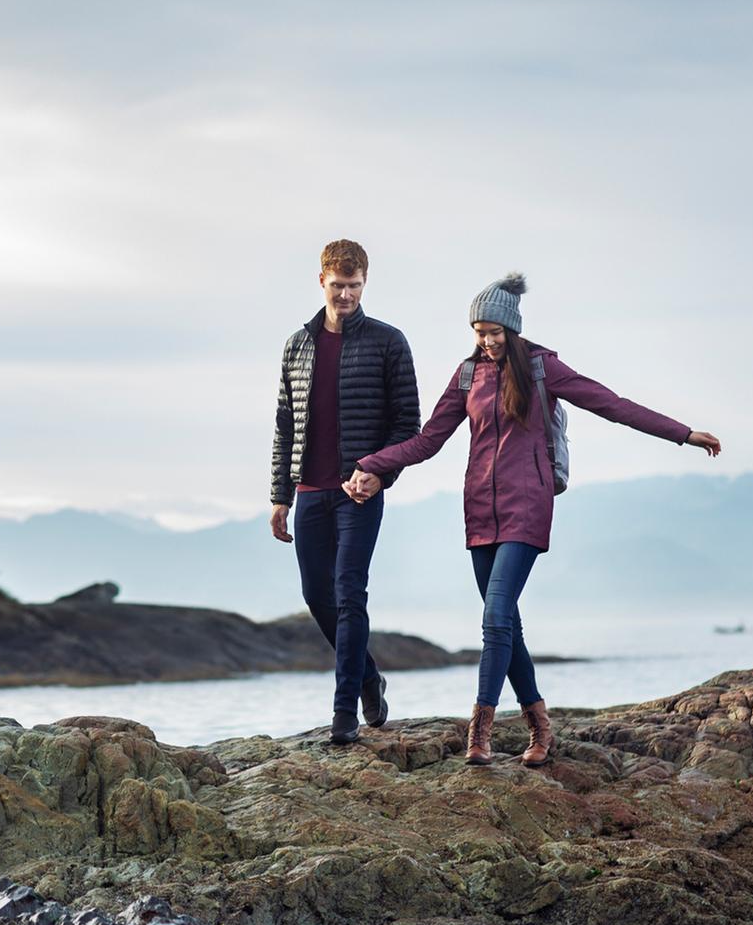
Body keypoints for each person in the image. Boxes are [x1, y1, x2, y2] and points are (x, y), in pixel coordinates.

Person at [344, 273, 720, 766]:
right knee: (508, 626)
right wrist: (373, 463)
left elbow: (612, 404)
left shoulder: (543, 370)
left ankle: (479, 732)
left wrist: (683, 433)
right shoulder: (466, 376)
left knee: (495, 616)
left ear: (513, 330)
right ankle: (540, 727)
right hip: (479, 509)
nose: (486, 340)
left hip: (528, 505)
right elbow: (427, 441)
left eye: (494, 332)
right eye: (478, 331)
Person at [270, 239, 421, 745]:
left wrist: (379, 473)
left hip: (359, 491)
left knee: (349, 593)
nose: (346, 295)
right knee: (318, 596)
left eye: (354, 286)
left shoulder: (388, 342)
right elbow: (284, 425)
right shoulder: (297, 344)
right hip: (309, 490)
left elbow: (407, 425)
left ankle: (344, 716)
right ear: (321, 282)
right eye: (338, 285)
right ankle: (368, 678)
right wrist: (279, 496)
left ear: (365, 283)